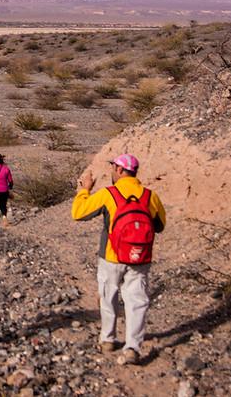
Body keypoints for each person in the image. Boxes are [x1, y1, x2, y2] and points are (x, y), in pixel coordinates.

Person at [71, 154, 166, 365]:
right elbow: (160, 226)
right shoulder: (150, 196)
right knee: (137, 301)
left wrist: (84, 190)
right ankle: (132, 347)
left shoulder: (108, 194)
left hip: (111, 256)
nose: (112, 171)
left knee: (108, 296)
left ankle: (108, 339)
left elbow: (78, 213)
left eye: (113, 167)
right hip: (140, 257)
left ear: (120, 170)